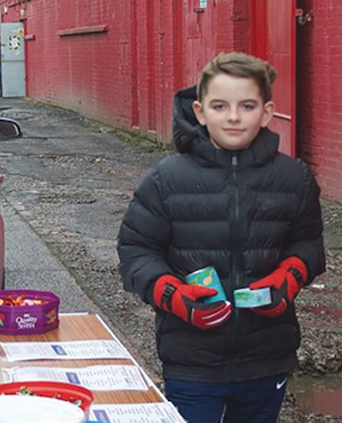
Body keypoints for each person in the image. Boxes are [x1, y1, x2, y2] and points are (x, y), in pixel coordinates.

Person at [117, 52, 325, 423]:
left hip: (267, 356)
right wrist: (172, 294)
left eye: (247, 105)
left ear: (266, 111)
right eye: (219, 105)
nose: (233, 117)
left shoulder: (294, 178)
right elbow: (137, 250)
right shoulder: (166, 179)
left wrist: (289, 277)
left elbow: (308, 244)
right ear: (199, 111)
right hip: (191, 359)